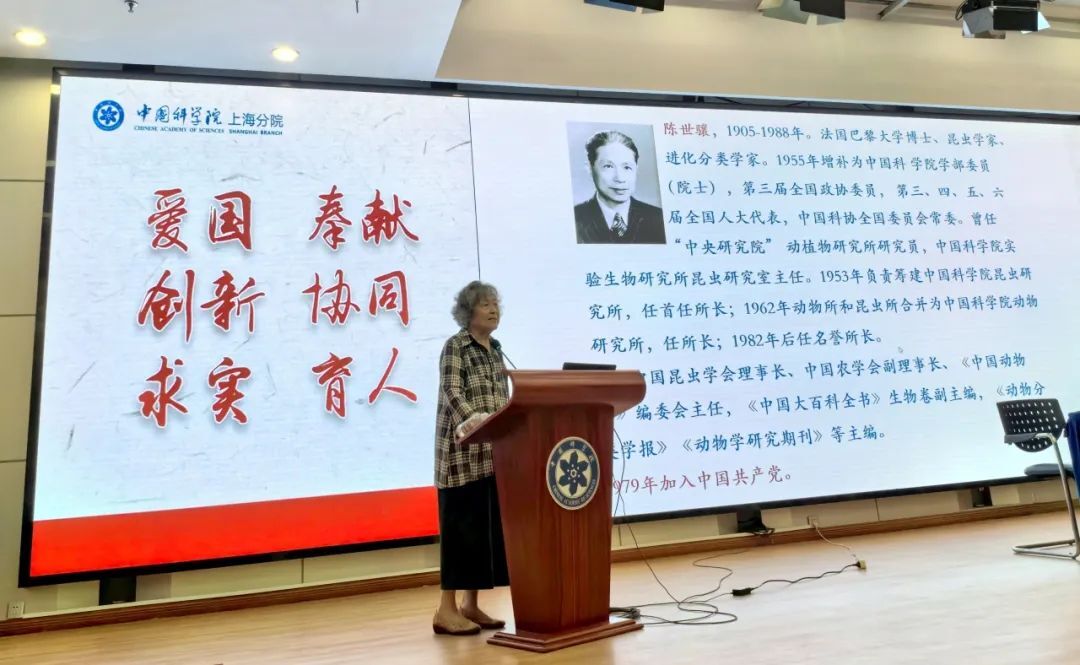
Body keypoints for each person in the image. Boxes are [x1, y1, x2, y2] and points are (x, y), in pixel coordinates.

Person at [432, 280, 511, 636]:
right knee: (459, 533)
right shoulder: (456, 346)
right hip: (460, 457)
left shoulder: (496, 349)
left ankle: (470, 605)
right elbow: (451, 390)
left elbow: (501, 397)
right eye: (485, 304)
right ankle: (445, 610)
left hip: (491, 455)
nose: (493, 309)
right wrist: (473, 420)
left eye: (495, 303)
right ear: (468, 311)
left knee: (481, 533)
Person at [574, 130, 666, 245]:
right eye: (608, 166)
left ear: (636, 169)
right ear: (589, 168)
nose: (620, 178)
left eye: (627, 167)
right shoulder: (574, 218)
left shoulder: (659, 218)